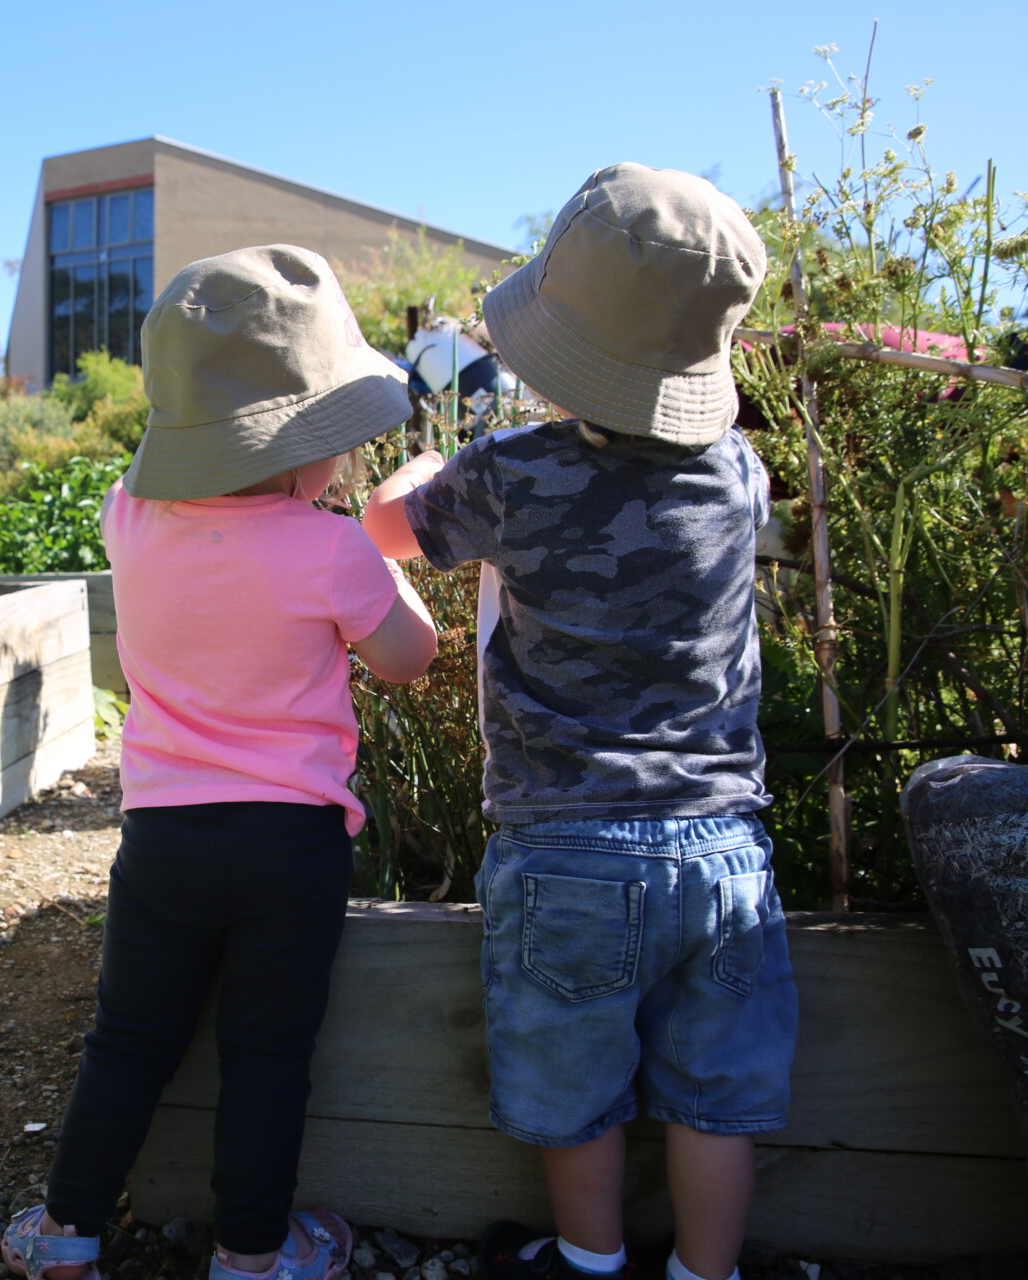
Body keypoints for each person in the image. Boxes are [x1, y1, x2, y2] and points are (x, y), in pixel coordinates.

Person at [361, 164, 797, 1280]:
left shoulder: (508, 474)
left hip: (565, 844)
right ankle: (710, 1271)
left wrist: (426, 460)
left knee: (573, 1081)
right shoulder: (739, 473)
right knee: (716, 1096)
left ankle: (589, 1259)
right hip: (722, 844)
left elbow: (383, 528)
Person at [3, 244, 440, 1280]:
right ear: (308, 445)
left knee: (129, 1039)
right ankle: (252, 1251)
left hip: (162, 834)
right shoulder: (331, 547)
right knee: (266, 1055)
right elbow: (410, 658)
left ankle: (66, 1233)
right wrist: (387, 538)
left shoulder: (130, 514)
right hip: (289, 844)